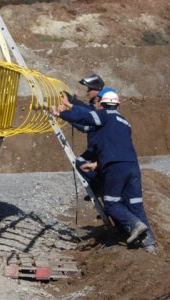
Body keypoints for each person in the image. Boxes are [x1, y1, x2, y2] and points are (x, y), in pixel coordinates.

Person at [52, 91, 156, 254]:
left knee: (111, 203)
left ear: (102, 103)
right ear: (118, 104)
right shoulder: (125, 122)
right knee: (135, 204)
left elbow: (87, 117)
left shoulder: (105, 115)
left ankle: (135, 225)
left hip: (115, 166)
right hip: (133, 166)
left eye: (98, 102)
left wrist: (62, 113)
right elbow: (92, 127)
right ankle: (150, 245)